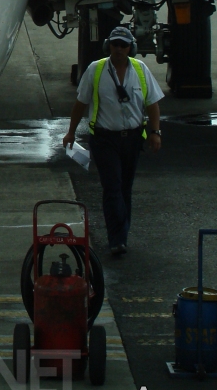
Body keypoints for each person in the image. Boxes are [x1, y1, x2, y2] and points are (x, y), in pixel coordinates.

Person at [62, 26, 163, 256]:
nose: (118, 49)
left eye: (123, 45)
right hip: (105, 139)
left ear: (131, 48)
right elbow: (81, 103)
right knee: (113, 187)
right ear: (109, 46)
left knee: (125, 188)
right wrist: (71, 132)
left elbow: (153, 103)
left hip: (133, 138)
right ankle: (116, 239)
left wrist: (155, 132)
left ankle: (121, 233)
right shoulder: (95, 70)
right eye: (115, 44)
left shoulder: (140, 70)